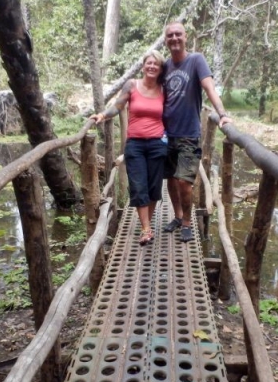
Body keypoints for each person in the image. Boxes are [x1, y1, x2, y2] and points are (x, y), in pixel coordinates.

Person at [162, 21, 232, 242]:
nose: (174, 38)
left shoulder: (196, 60)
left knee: (185, 182)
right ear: (166, 40)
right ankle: (177, 215)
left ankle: (187, 223)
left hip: (188, 134)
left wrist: (222, 114)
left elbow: (209, 88)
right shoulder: (165, 66)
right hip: (166, 135)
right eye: (170, 35)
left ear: (186, 36)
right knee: (171, 180)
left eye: (178, 34)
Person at [91, 50, 166, 246]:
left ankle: (146, 225)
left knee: (153, 188)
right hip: (135, 145)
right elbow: (118, 105)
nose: (151, 67)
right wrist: (103, 115)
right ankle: (146, 229)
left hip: (158, 144)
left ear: (160, 69)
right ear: (143, 66)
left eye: (156, 64)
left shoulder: (164, 89)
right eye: (148, 63)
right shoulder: (132, 85)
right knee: (139, 186)